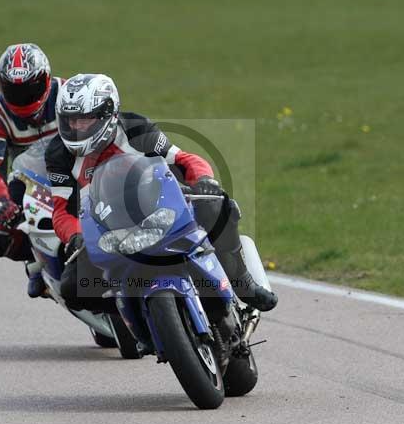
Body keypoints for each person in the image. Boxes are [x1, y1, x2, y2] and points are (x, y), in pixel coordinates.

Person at [45, 73, 278, 313]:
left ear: (108, 113)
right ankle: (128, 313)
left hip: (158, 206)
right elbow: (62, 209)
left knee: (218, 206)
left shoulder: (136, 128)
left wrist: (204, 180)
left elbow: (184, 159)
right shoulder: (58, 154)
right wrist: (75, 237)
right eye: (70, 120)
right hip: (107, 225)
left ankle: (242, 283)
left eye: (85, 119)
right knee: (73, 288)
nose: (76, 127)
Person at [0, 43, 65, 297]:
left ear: (45, 80)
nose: (23, 97)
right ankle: (38, 265)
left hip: (77, 168)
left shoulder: (69, 93)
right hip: (30, 180)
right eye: (14, 90)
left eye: (31, 88)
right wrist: (2, 202)